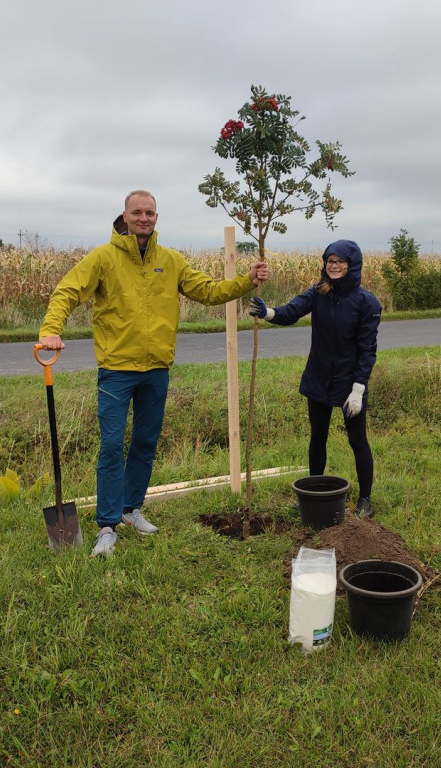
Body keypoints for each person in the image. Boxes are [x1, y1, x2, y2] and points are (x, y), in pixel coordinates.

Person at [39, 190, 268, 557]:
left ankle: (131, 510)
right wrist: (51, 329)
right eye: (137, 213)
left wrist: (246, 281)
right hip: (116, 370)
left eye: (149, 213)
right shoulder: (103, 258)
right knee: (112, 446)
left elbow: (208, 291)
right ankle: (108, 526)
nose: (143, 218)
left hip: (157, 369)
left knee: (145, 442)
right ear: (125, 217)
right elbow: (67, 291)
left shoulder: (170, 260)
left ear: (156, 218)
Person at [249, 239, 381, 518]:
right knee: (317, 437)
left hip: (350, 383)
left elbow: (367, 350)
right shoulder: (319, 292)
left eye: (340, 262)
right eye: (329, 261)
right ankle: (313, 494)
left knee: (358, 441)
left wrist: (358, 389)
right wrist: (268, 312)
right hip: (319, 377)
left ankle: (365, 500)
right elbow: (291, 311)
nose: (333, 266)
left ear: (352, 265)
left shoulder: (367, 303)